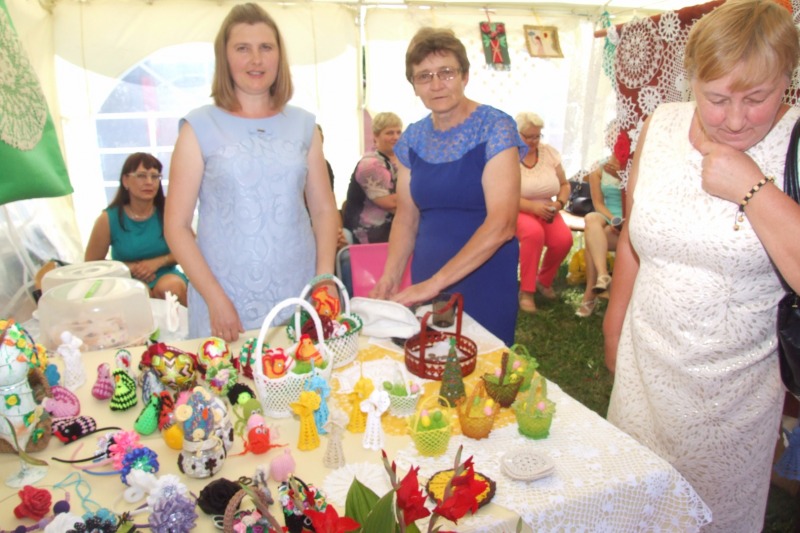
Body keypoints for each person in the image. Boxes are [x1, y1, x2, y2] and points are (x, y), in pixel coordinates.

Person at [603, 1, 800, 531]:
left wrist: (752, 188)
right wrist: (614, 325)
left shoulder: (796, 141)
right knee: (632, 503)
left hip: (733, 396)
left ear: (788, 78)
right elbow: (635, 235)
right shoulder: (661, 125)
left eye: (757, 98)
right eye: (716, 99)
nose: (735, 119)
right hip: (645, 372)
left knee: (709, 517)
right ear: (691, 80)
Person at [164, 3, 339, 342]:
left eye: (266, 47)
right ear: (225, 57)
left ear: (279, 56)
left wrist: (324, 278)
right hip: (225, 303)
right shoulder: (199, 127)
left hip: (298, 295)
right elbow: (177, 226)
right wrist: (215, 299)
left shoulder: (304, 125)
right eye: (242, 48)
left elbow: (323, 210)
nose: (256, 60)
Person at [371, 27, 524, 346]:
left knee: (482, 364)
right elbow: (406, 218)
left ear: (465, 76)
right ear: (414, 86)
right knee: (433, 362)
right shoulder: (412, 138)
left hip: (485, 275)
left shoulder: (495, 128)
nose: (436, 84)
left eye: (446, 72)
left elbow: (502, 225)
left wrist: (435, 283)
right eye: (424, 76)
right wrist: (390, 276)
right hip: (428, 274)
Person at [85, 152, 188, 306]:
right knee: (138, 293)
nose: (149, 182)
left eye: (155, 176)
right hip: (125, 277)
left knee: (170, 288)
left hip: (165, 273)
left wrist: (158, 262)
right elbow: (91, 264)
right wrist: (129, 268)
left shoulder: (170, 211)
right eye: (141, 176)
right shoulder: (107, 219)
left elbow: (190, 250)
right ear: (125, 181)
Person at [514, 112, 572, 313]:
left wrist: (559, 204)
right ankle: (526, 291)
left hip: (547, 209)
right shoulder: (508, 155)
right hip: (518, 209)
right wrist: (532, 208)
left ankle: (543, 280)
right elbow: (503, 193)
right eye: (528, 136)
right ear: (517, 134)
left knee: (564, 240)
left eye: (537, 136)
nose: (534, 141)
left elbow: (564, 184)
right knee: (533, 234)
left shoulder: (549, 153)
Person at [575, 153, 625, 317]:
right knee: (591, 218)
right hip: (609, 216)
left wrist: (622, 176)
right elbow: (598, 204)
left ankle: (590, 295)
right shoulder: (599, 167)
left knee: (592, 239)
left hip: (629, 217)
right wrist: (613, 220)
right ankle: (603, 274)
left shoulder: (636, 165)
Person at [342, 112, 403, 244]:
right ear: (376, 136)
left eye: (399, 132)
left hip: (394, 230)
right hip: (371, 235)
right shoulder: (370, 165)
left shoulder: (400, 161)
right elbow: (391, 203)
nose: (396, 137)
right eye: (390, 133)